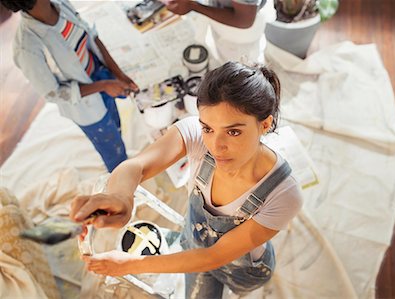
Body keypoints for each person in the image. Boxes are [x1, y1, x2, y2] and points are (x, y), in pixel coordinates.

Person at [70, 61, 302, 298]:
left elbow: (214, 257)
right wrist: (119, 197)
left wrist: (129, 265)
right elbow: (136, 166)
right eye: (208, 128)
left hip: (242, 268)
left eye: (233, 132)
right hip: (194, 244)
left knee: (237, 291)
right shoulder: (195, 135)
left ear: (265, 124)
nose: (216, 146)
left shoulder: (284, 194)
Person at [1, 0, 139, 172]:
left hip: (101, 77)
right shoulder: (27, 48)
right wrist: (104, 85)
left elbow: (91, 36)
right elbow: (54, 93)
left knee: (115, 125)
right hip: (86, 107)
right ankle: (122, 178)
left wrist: (117, 74)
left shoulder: (60, 4)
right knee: (113, 150)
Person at [166, 0, 273, 62]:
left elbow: (244, 20)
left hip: (240, 33)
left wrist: (192, 6)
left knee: (240, 68)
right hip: (222, 18)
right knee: (223, 57)